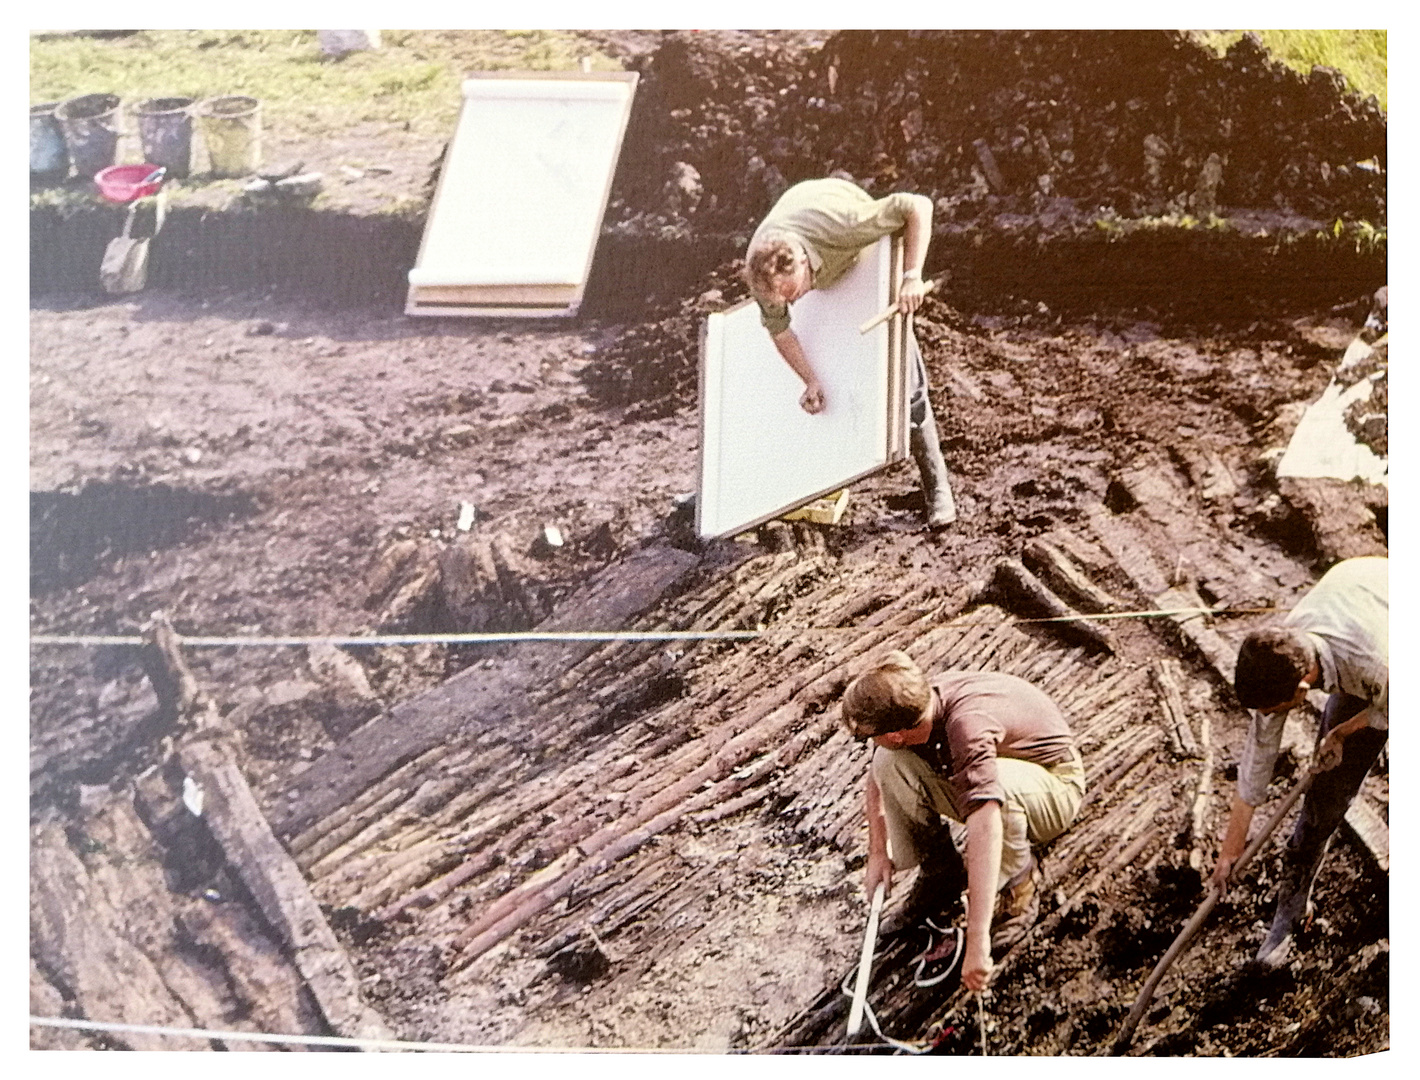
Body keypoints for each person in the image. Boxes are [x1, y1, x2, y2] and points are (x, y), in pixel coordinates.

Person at [840, 652, 1086, 991]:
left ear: (896, 733)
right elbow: (875, 775)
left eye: (867, 735)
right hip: (1002, 772)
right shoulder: (915, 710)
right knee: (887, 762)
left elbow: (985, 822)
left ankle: (1020, 885)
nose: (868, 742)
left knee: (996, 788)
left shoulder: (966, 728)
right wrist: (878, 852)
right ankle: (940, 870)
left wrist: (977, 939)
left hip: (1055, 786)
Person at [743, 177, 957, 529]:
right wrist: (809, 379)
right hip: (818, 248)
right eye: (782, 299)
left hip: (862, 250)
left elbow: (918, 205)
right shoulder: (764, 274)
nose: (792, 302)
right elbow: (780, 331)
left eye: (793, 292)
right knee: (835, 352)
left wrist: (911, 278)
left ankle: (938, 487)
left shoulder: (847, 223)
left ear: (800, 263)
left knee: (904, 370)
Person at [1212, 556, 1388, 968]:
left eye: (1279, 708)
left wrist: (1344, 731)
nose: (1273, 715)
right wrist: (1231, 849)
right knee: (1323, 798)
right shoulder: (1279, 654)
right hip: (1361, 612)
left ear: (1303, 686)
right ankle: (1289, 918)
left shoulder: (1376, 663)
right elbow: (1258, 759)